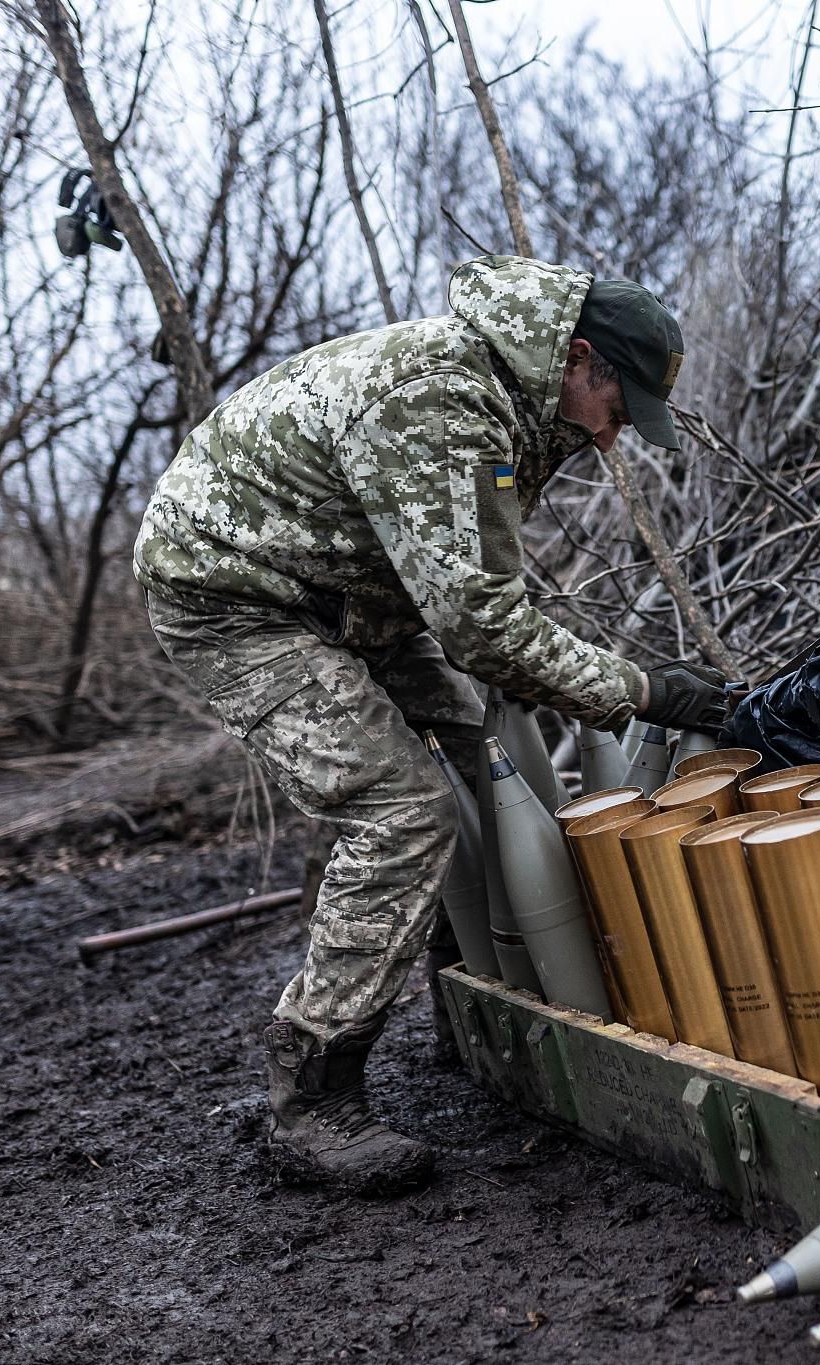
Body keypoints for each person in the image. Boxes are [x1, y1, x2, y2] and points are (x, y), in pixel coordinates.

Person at [133, 254, 731, 1194]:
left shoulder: (519, 399)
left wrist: (592, 681)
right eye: (619, 408)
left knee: (481, 741)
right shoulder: (443, 399)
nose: (618, 436)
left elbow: (475, 596)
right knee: (404, 809)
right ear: (578, 360)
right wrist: (642, 691)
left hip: (343, 589)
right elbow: (480, 621)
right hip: (234, 596)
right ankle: (314, 1092)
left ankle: (475, 1002)